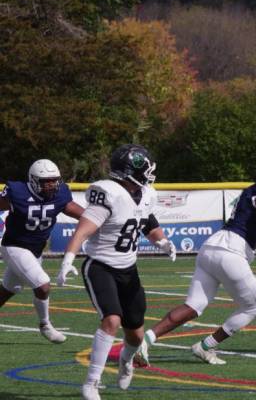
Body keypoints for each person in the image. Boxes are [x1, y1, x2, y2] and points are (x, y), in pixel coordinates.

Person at [134, 159, 256, 366]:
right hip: (231, 252)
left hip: (211, 250)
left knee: (193, 305)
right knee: (252, 308)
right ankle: (206, 346)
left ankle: (145, 341)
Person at [56, 144, 176, 400]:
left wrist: (163, 242)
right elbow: (83, 230)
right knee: (111, 320)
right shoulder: (108, 193)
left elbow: (149, 224)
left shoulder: (145, 194)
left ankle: (125, 361)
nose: (150, 172)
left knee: (135, 334)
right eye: (145, 168)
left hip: (128, 269)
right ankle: (91, 382)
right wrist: (68, 259)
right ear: (130, 171)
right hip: (100, 266)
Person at [0, 159, 84, 343]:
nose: (50, 185)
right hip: (14, 246)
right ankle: (45, 324)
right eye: (45, 181)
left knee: (8, 289)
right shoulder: (17, 192)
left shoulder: (60, 194)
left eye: (53, 180)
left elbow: (77, 212)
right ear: (33, 180)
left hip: (36, 251)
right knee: (43, 284)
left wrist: (98, 220)